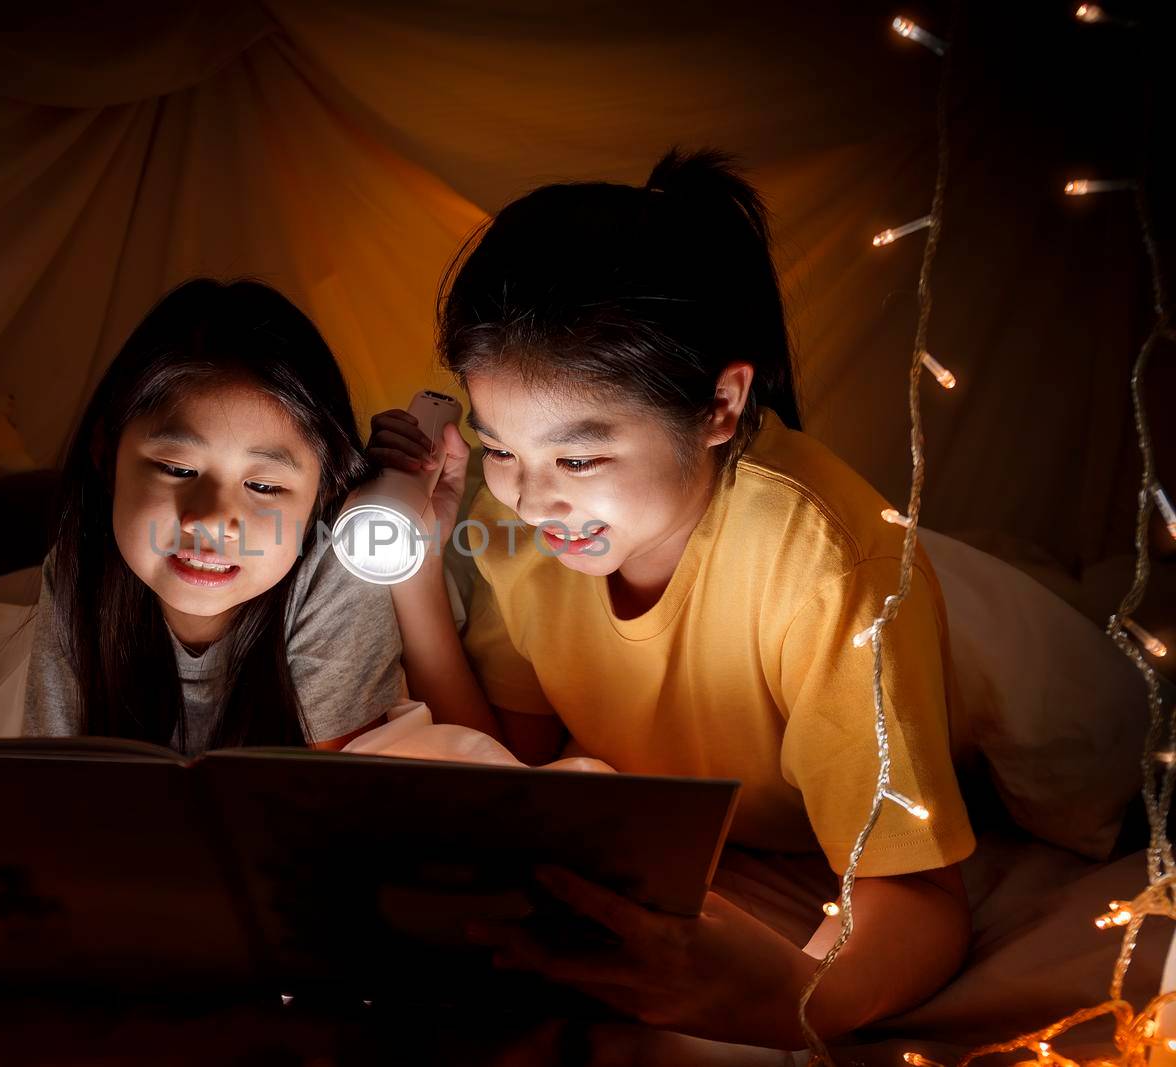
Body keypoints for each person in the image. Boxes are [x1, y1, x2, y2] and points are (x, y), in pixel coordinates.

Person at [367, 149, 974, 1047]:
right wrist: (415, 572)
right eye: (500, 446)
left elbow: (919, 891)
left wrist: (799, 999)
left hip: (890, 708)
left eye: (578, 458)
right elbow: (507, 759)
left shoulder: (828, 567)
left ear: (722, 404)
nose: (534, 500)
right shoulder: (519, 520)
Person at [0, 277, 405, 954]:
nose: (212, 520)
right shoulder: (79, 566)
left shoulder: (339, 567)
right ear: (109, 453)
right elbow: (52, 807)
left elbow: (313, 844)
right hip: (35, 584)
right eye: (174, 465)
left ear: (325, 490)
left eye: (264, 484)